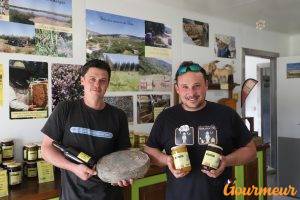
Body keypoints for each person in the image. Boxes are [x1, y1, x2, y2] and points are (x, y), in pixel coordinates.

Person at [144, 61, 256, 200]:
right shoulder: (166, 117)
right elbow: (149, 152)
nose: (191, 93)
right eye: (185, 87)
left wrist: (226, 161)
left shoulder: (227, 114)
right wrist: (166, 160)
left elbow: (251, 151)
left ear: (206, 86)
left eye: (196, 86)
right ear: (177, 88)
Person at [41, 59, 132, 200]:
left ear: (108, 84)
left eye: (103, 80)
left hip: (109, 195)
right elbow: (46, 149)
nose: (97, 84)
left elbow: (123, 155)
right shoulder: (65, 109)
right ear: (82, 80)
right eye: (92, 79)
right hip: (73, 195)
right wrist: (73, 168)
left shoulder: (118, 115)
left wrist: (122, 174)